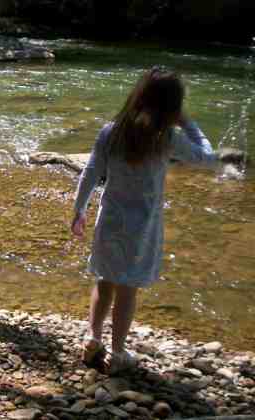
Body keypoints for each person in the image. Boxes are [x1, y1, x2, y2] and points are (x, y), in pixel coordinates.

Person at [71, 67, 241, 374]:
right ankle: (118, 352)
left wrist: (78, 209)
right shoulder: (168, 138)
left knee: (104, 280)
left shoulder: (112, 131)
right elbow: (206, 156)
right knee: (127, 290)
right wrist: (188, 122)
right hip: (142, 229)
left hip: (109, 220)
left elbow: (91, 172)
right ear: (172, 108)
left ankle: (93, 338)